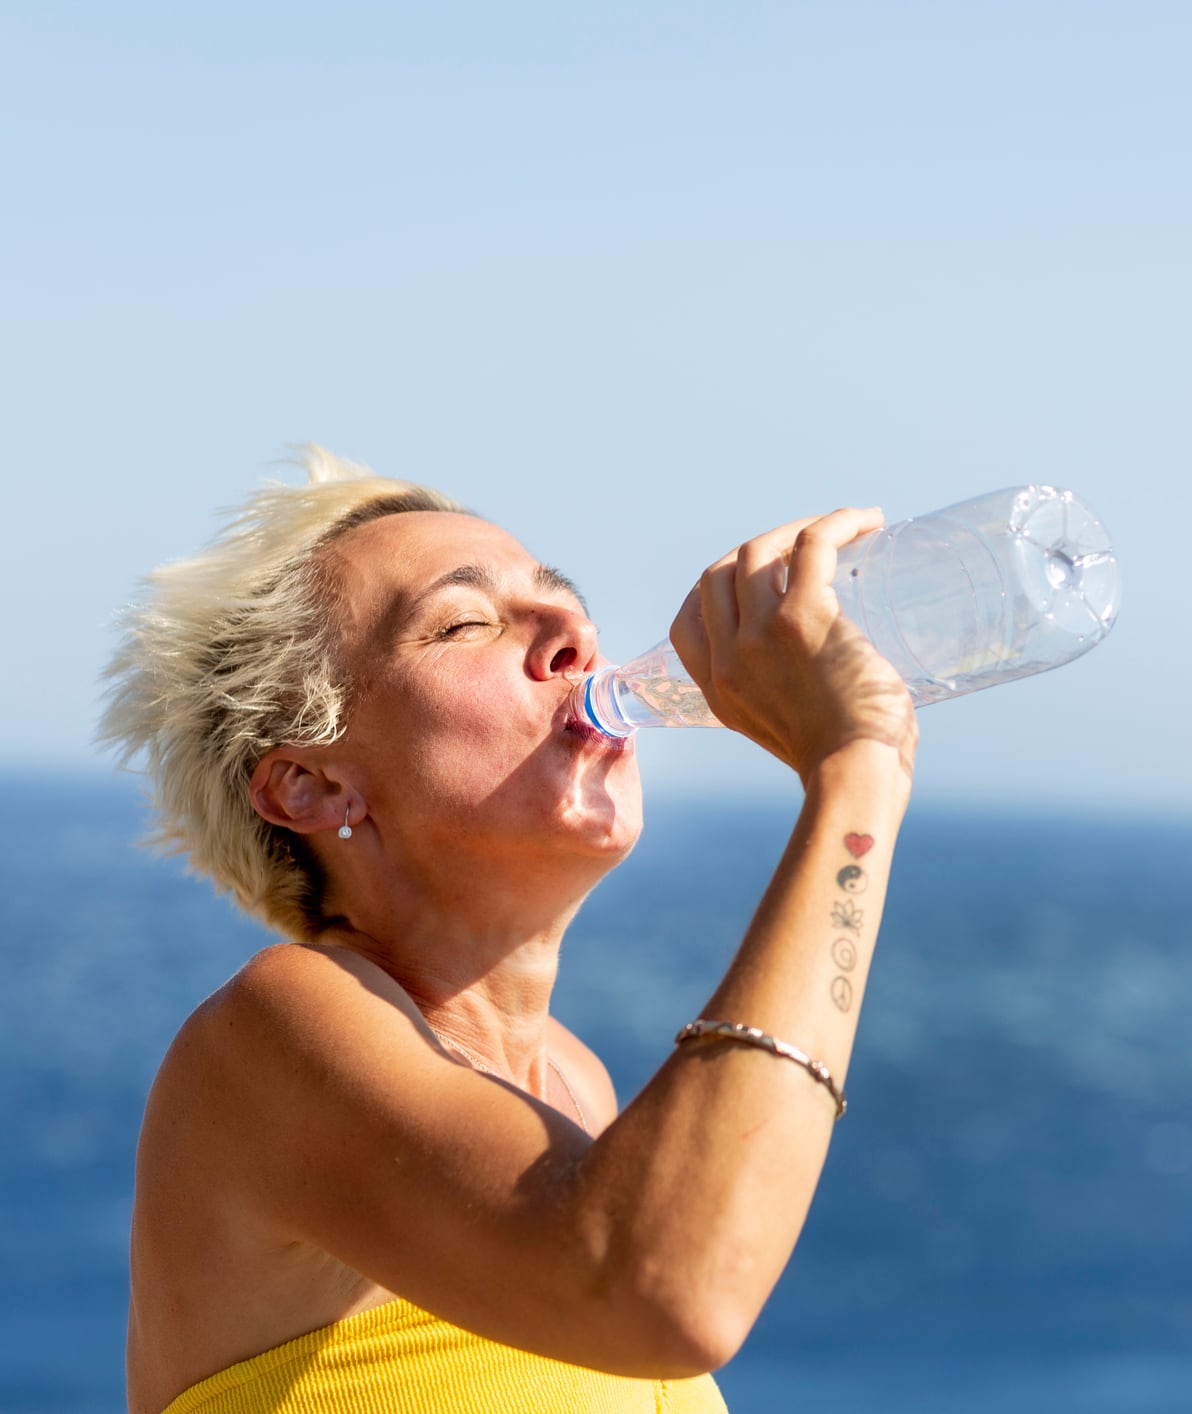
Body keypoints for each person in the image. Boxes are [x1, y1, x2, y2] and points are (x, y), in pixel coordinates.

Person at [104, 447, 918, 1414]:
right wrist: (856, 769)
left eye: (560, 598)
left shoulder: (576, 1090)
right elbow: (661, 1291)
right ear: (312, 786)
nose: (572, 630)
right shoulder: (277, 1029)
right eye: (465, 622)